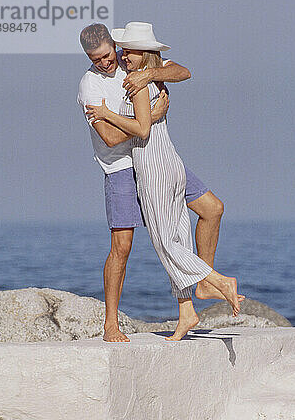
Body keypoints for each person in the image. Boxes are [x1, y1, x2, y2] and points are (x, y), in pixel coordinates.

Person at [86, 22, 244, 341]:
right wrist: (147, 113)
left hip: (154, 165)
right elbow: (111, 137)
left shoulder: (138, 74)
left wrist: (113, 110)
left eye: (113, 53)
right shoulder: (91, 84)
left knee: (169, 238)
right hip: (124, 166)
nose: (108, 61)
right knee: (149, 239)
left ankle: (212, 279)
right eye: (96, 58)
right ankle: (178, 312)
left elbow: (182, 74)